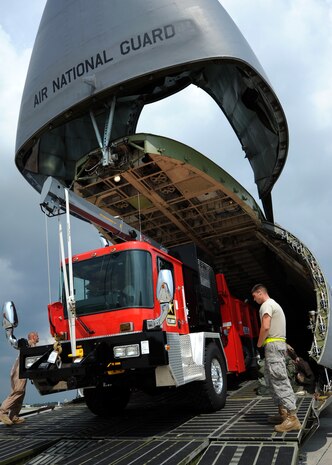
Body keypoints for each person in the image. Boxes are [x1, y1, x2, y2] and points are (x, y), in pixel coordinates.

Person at [251, 284, 301, 432]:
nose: (254, 300)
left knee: (279, 379)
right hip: (275, 346)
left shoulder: (266, 305)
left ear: (260, 293)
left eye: (254, 296)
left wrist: (259, 343)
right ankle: (284, 414)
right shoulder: (273, 304)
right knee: (272, 380)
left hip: (273, 346)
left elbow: (265, 327)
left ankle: (292, 418)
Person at [0, 331, 39, 426]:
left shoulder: (32, 346)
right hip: (18, 371)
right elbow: (20, 344)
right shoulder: (26, 344)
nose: (39, 338)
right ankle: (2, 412)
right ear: (33, 337)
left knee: (21, 394)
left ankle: (13, 416)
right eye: (37, 336)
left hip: (22, 372)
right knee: (18, 391)